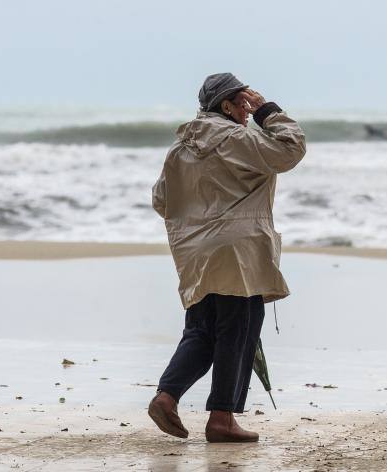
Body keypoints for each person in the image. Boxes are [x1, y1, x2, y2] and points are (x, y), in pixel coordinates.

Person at [148, 72, 306, 443]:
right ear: (226, 106)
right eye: (244, 104)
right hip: (239, 251)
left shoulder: (181, 147)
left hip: (196, 253)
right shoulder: (238, 139)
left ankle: (166, 396)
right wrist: (269, 109)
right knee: (239, 331)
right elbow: (291, 148)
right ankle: (222, 418)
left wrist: (200, 220)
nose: (249, 112)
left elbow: (161, 199)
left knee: (203, 330)